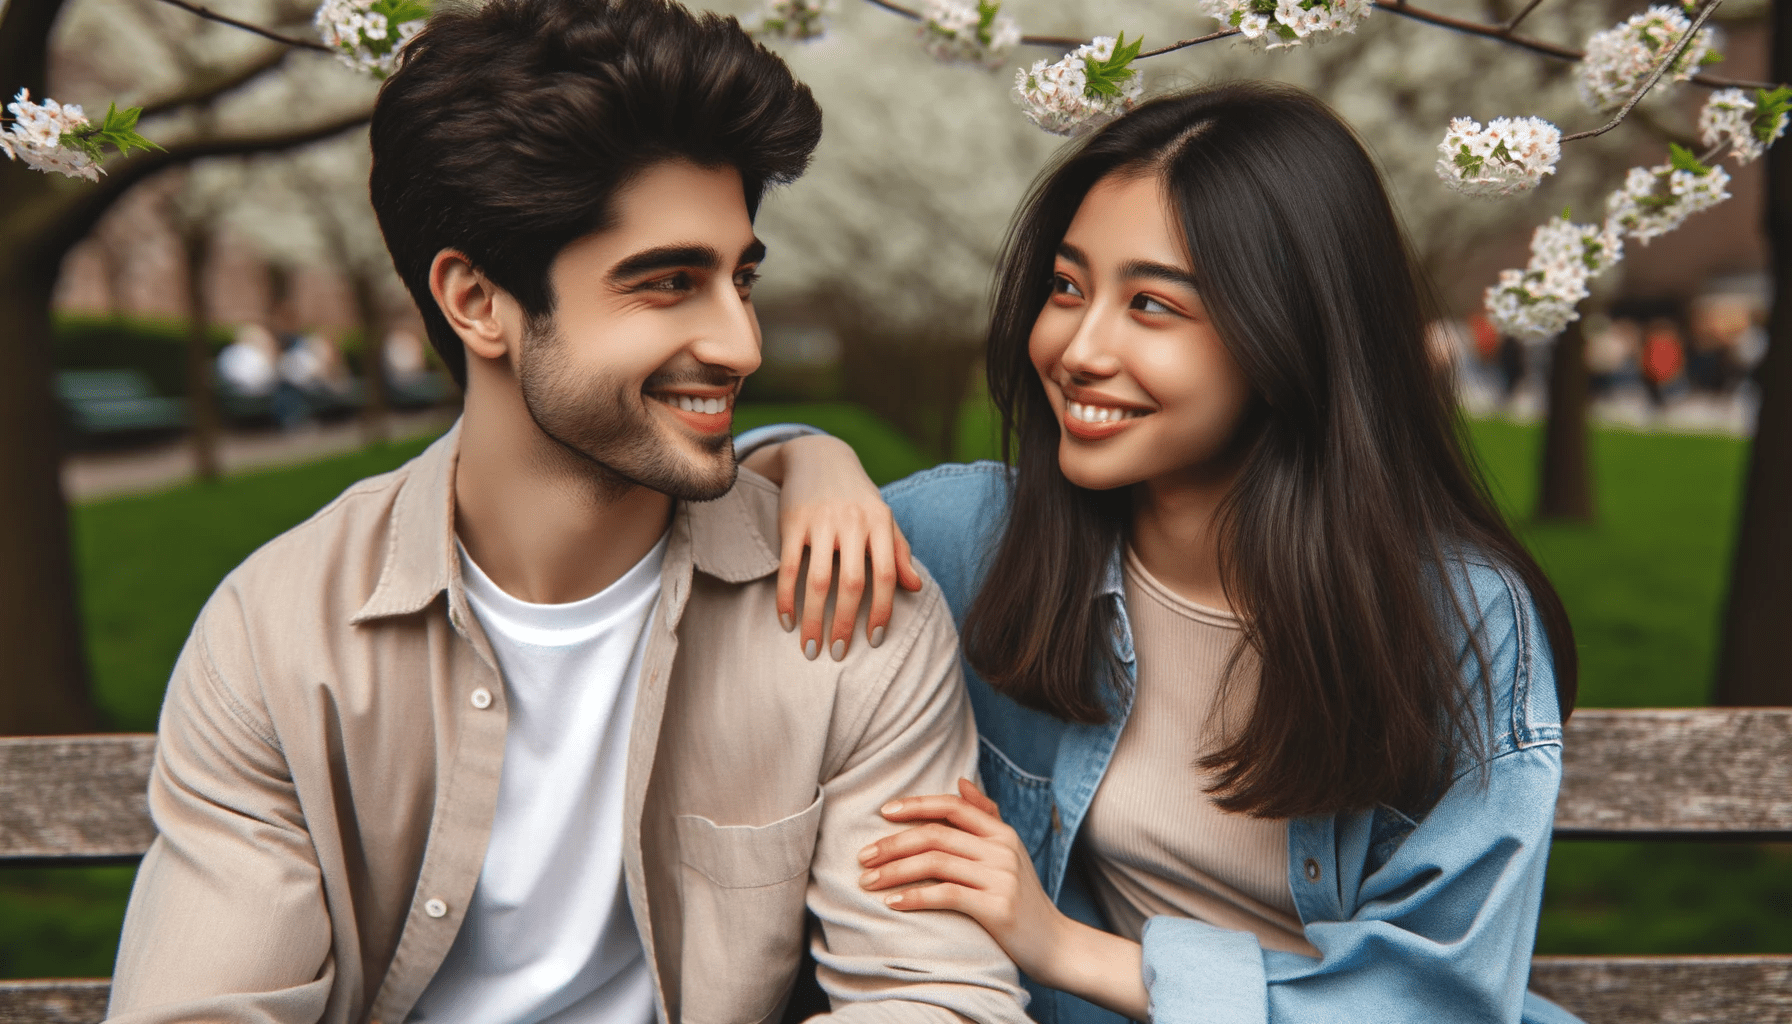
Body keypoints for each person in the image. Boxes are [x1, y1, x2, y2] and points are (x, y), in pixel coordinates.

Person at [105, 2, 1030, 1022]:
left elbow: (933, 995)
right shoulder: (278, 635)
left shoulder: (847, 614)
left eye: (739, 278)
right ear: (477, 301)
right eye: (668, 282)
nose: (740, 345)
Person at [741, 82, 1583, 1024]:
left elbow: (1437, 1000)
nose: (1077, 347)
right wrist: (808, 456)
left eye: (1151, 304)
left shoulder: (1455, 620)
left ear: (1288, 336)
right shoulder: (975, 539)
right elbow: (703, 521)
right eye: (1067, 287)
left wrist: (1073, 951)